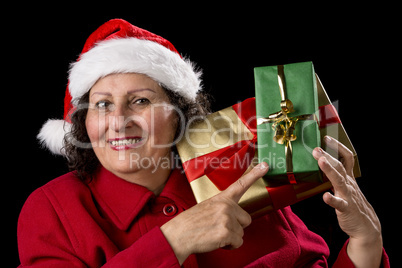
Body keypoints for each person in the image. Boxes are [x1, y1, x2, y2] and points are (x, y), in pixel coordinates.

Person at [17, 18, 389, 267]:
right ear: (84, 121)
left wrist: (365, 244)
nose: (118, 121)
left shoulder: (243, 174)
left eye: (141, 101)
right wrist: (174, 240)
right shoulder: (53, 209)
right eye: (102, 104)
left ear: (180, 114)